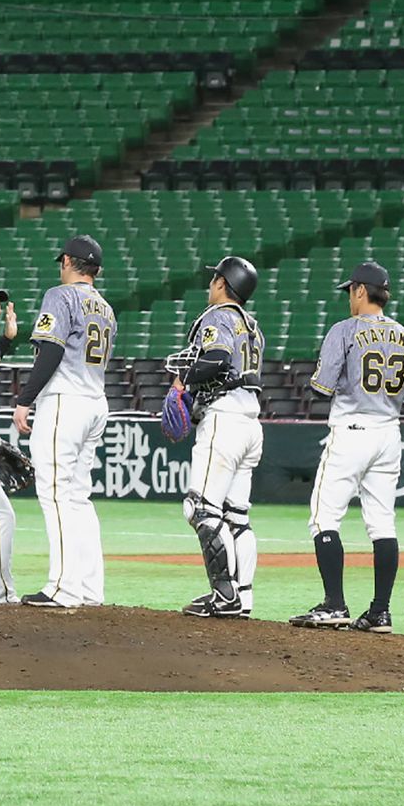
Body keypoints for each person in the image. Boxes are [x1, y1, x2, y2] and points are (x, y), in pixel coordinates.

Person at [290, 261, 404, 635]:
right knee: (382, 523)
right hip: (390, 434)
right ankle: (380, 612)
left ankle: (334, 605)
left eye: (350, 291)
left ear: (360, 291)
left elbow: (319, 389)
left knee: (324, 517)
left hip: (352, 430)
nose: (348, 299)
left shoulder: (344, 331)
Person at [13, 235, 115, 608]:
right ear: (98, 271)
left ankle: (62, 587)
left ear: (69, 261)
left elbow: (52, 348)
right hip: (95, 402)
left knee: (55, 494)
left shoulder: (61, 295)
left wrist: (25, 399)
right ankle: (89, 588)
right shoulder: (106, 307)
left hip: (66, 402)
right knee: (78, 497)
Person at [169, 256, 265, 619]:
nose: (211, 284)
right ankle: (243, 595)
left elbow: (218, 357)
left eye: (214, 279)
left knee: (201, 509)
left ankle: (224, 596)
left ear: (224, 284)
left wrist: (183, 381)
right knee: (237, 515)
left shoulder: (217, 316)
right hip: (251, 423)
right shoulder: (253, 326)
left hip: (224, 421)